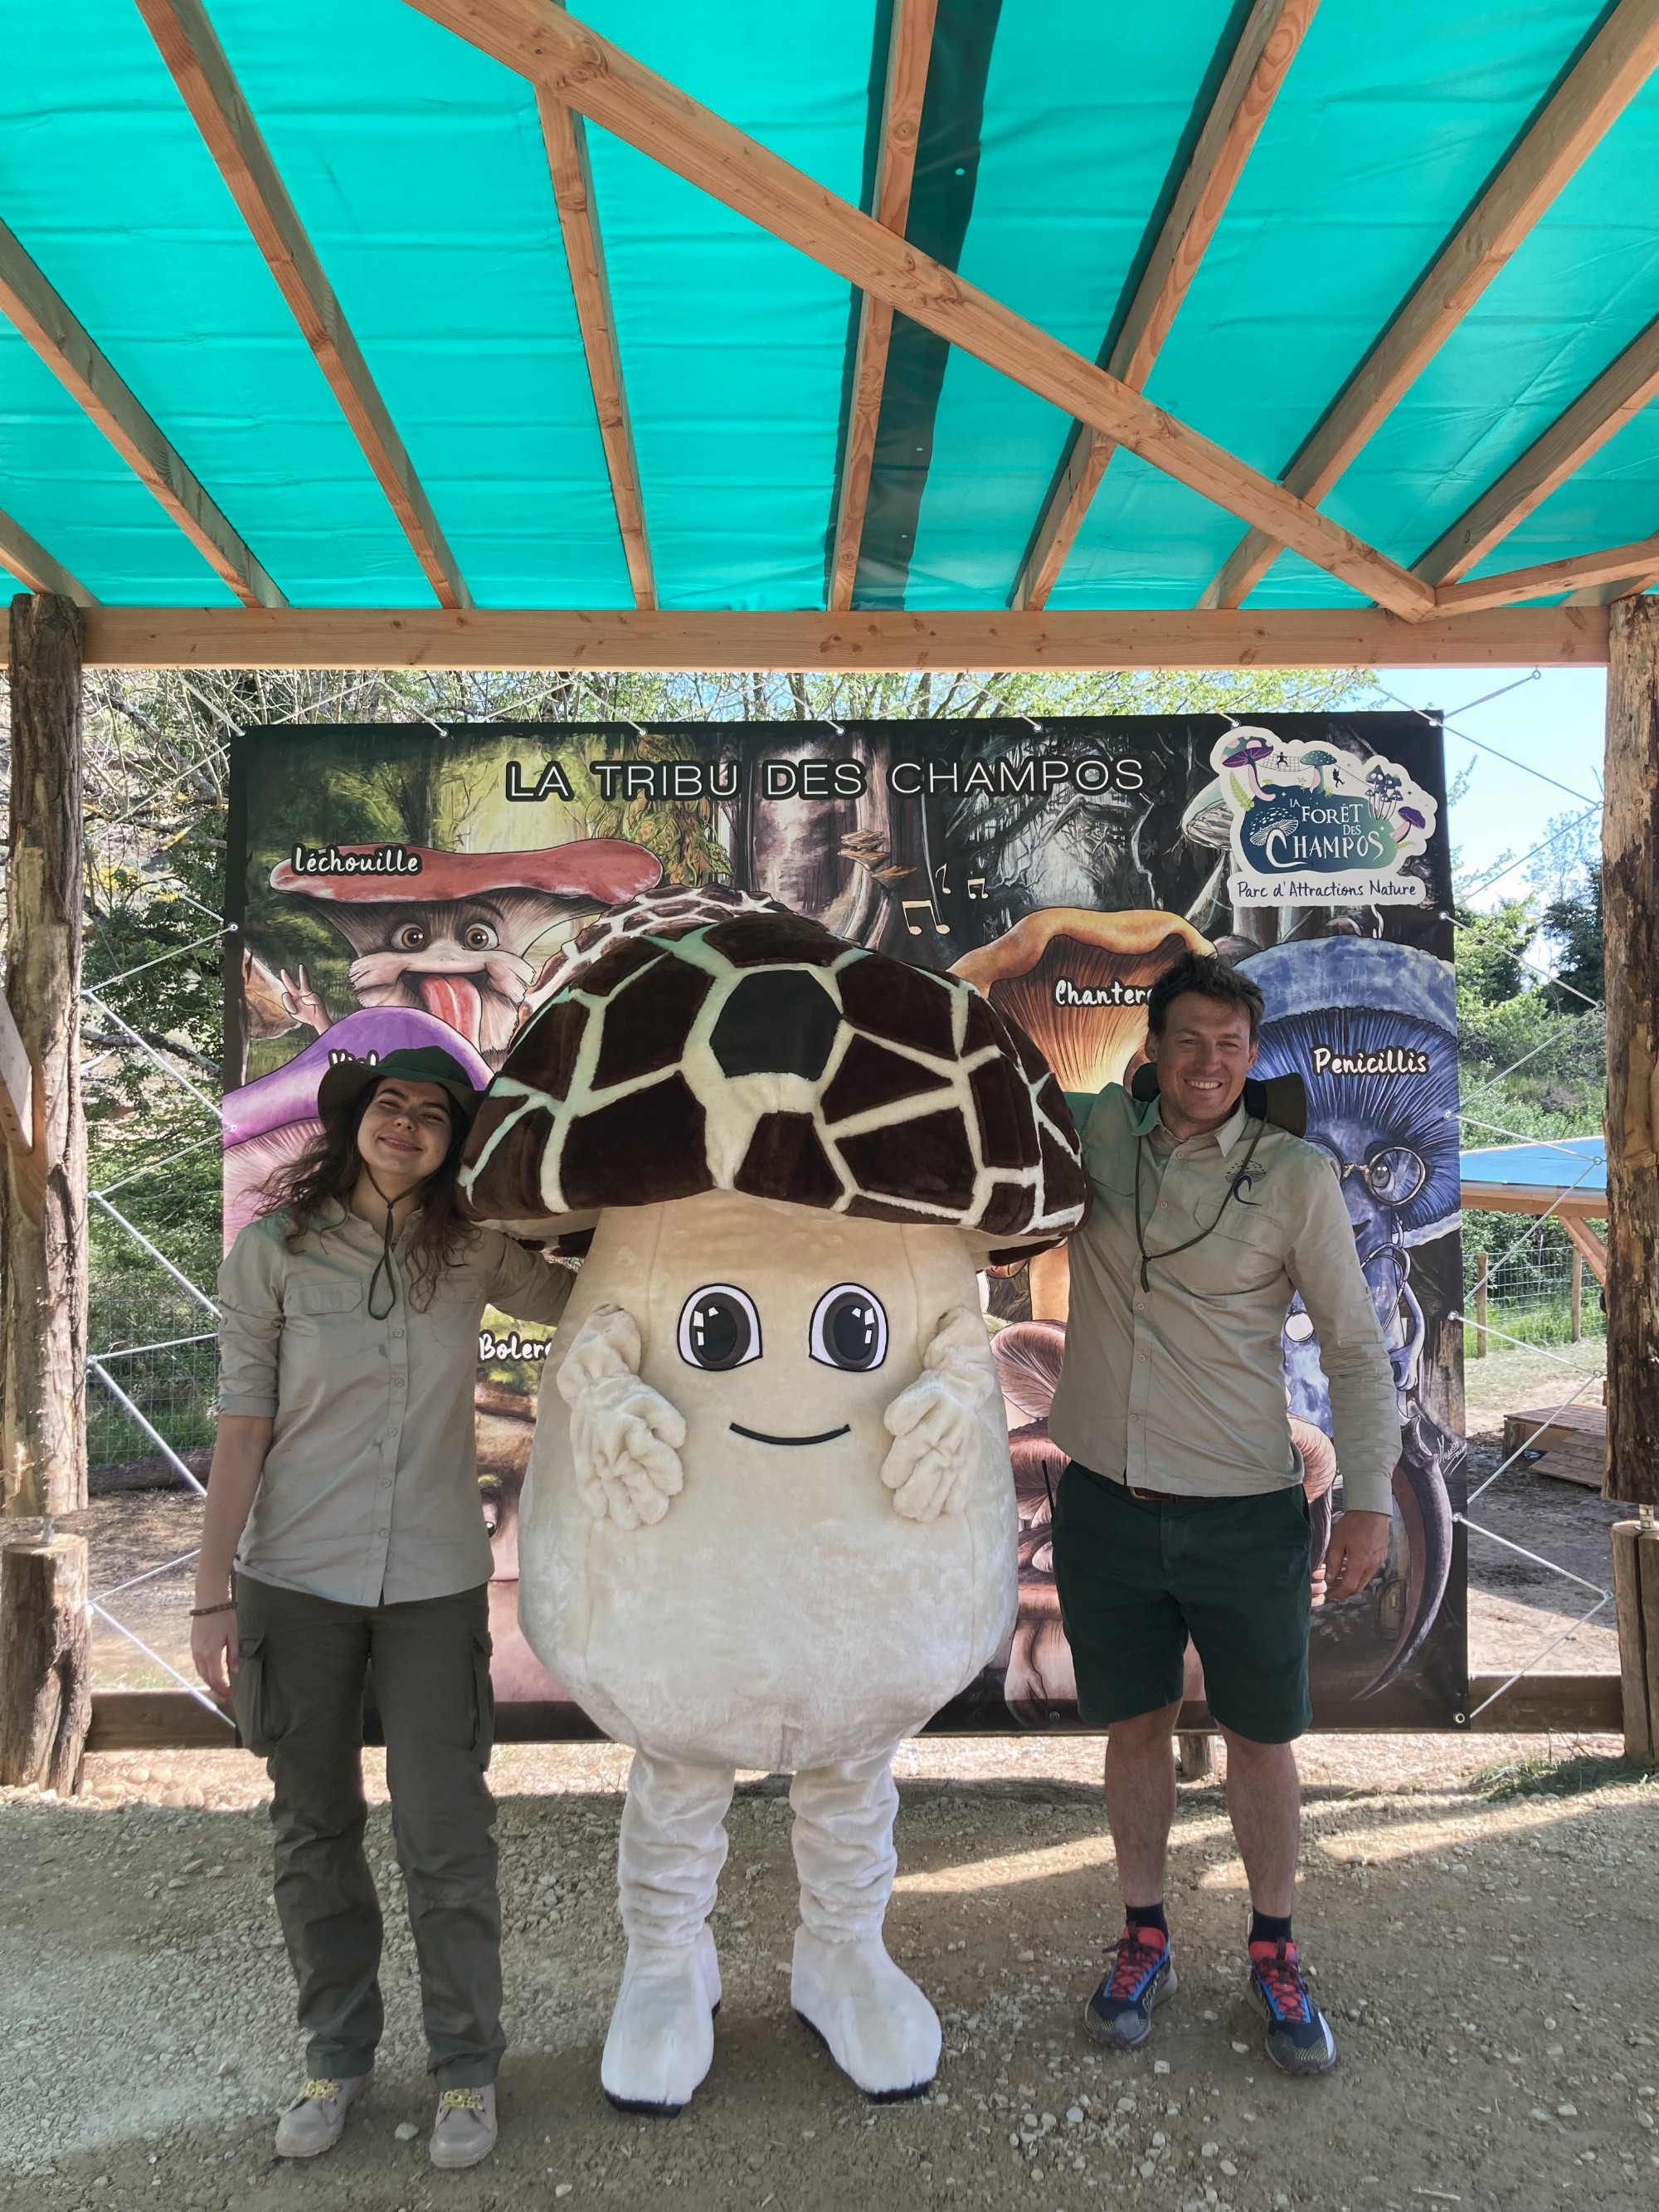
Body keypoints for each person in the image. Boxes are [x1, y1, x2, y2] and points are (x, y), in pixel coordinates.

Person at [190, 1046, 573, 2168]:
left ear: (456, 1143)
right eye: (389, 1105)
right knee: (314, 1829)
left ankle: (465, 2068)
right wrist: (212, 1596)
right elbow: (242, 1430)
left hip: (433, 1585)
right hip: (293, 1581)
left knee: (444, 1831)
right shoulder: (274, 1253)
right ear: (355, 1123)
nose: (406, 1123)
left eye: (433, 1114)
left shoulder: (475, 1253)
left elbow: (589, 1292)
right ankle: (336, 2053)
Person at [1044, 951, 1399, 2075]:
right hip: (1105, 1499)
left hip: (1246, 1508)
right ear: (1151, 1046)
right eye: (1189, 1040)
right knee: (1134, 1726)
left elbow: (1352, 1346)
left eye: (1231, 1044)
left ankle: (1275, 1945)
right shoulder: (1095, 1135)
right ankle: (1143, 1932)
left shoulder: (1296, 1175)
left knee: (1260, 1736)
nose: (1210, 1063)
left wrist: (1372, 1498)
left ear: (1254, 1054)